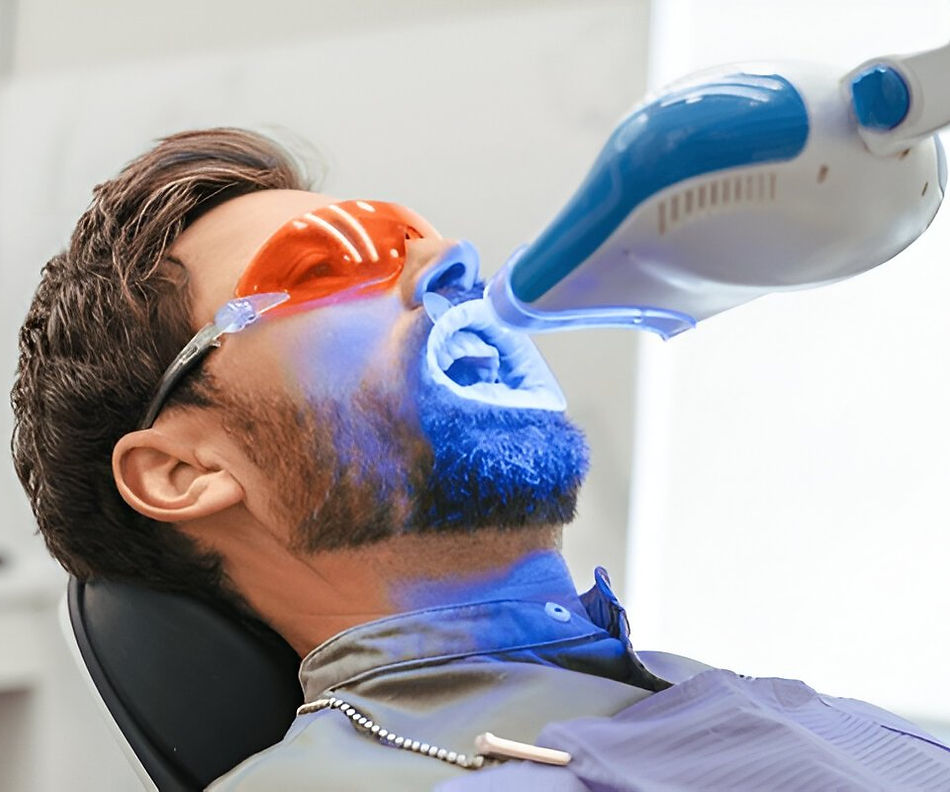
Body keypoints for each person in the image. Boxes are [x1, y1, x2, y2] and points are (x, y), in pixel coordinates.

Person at [12, 128, 950, 791]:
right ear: (183, 473)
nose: (450, 264)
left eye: (422, 240)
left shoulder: (814, 714)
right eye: (330, 262)